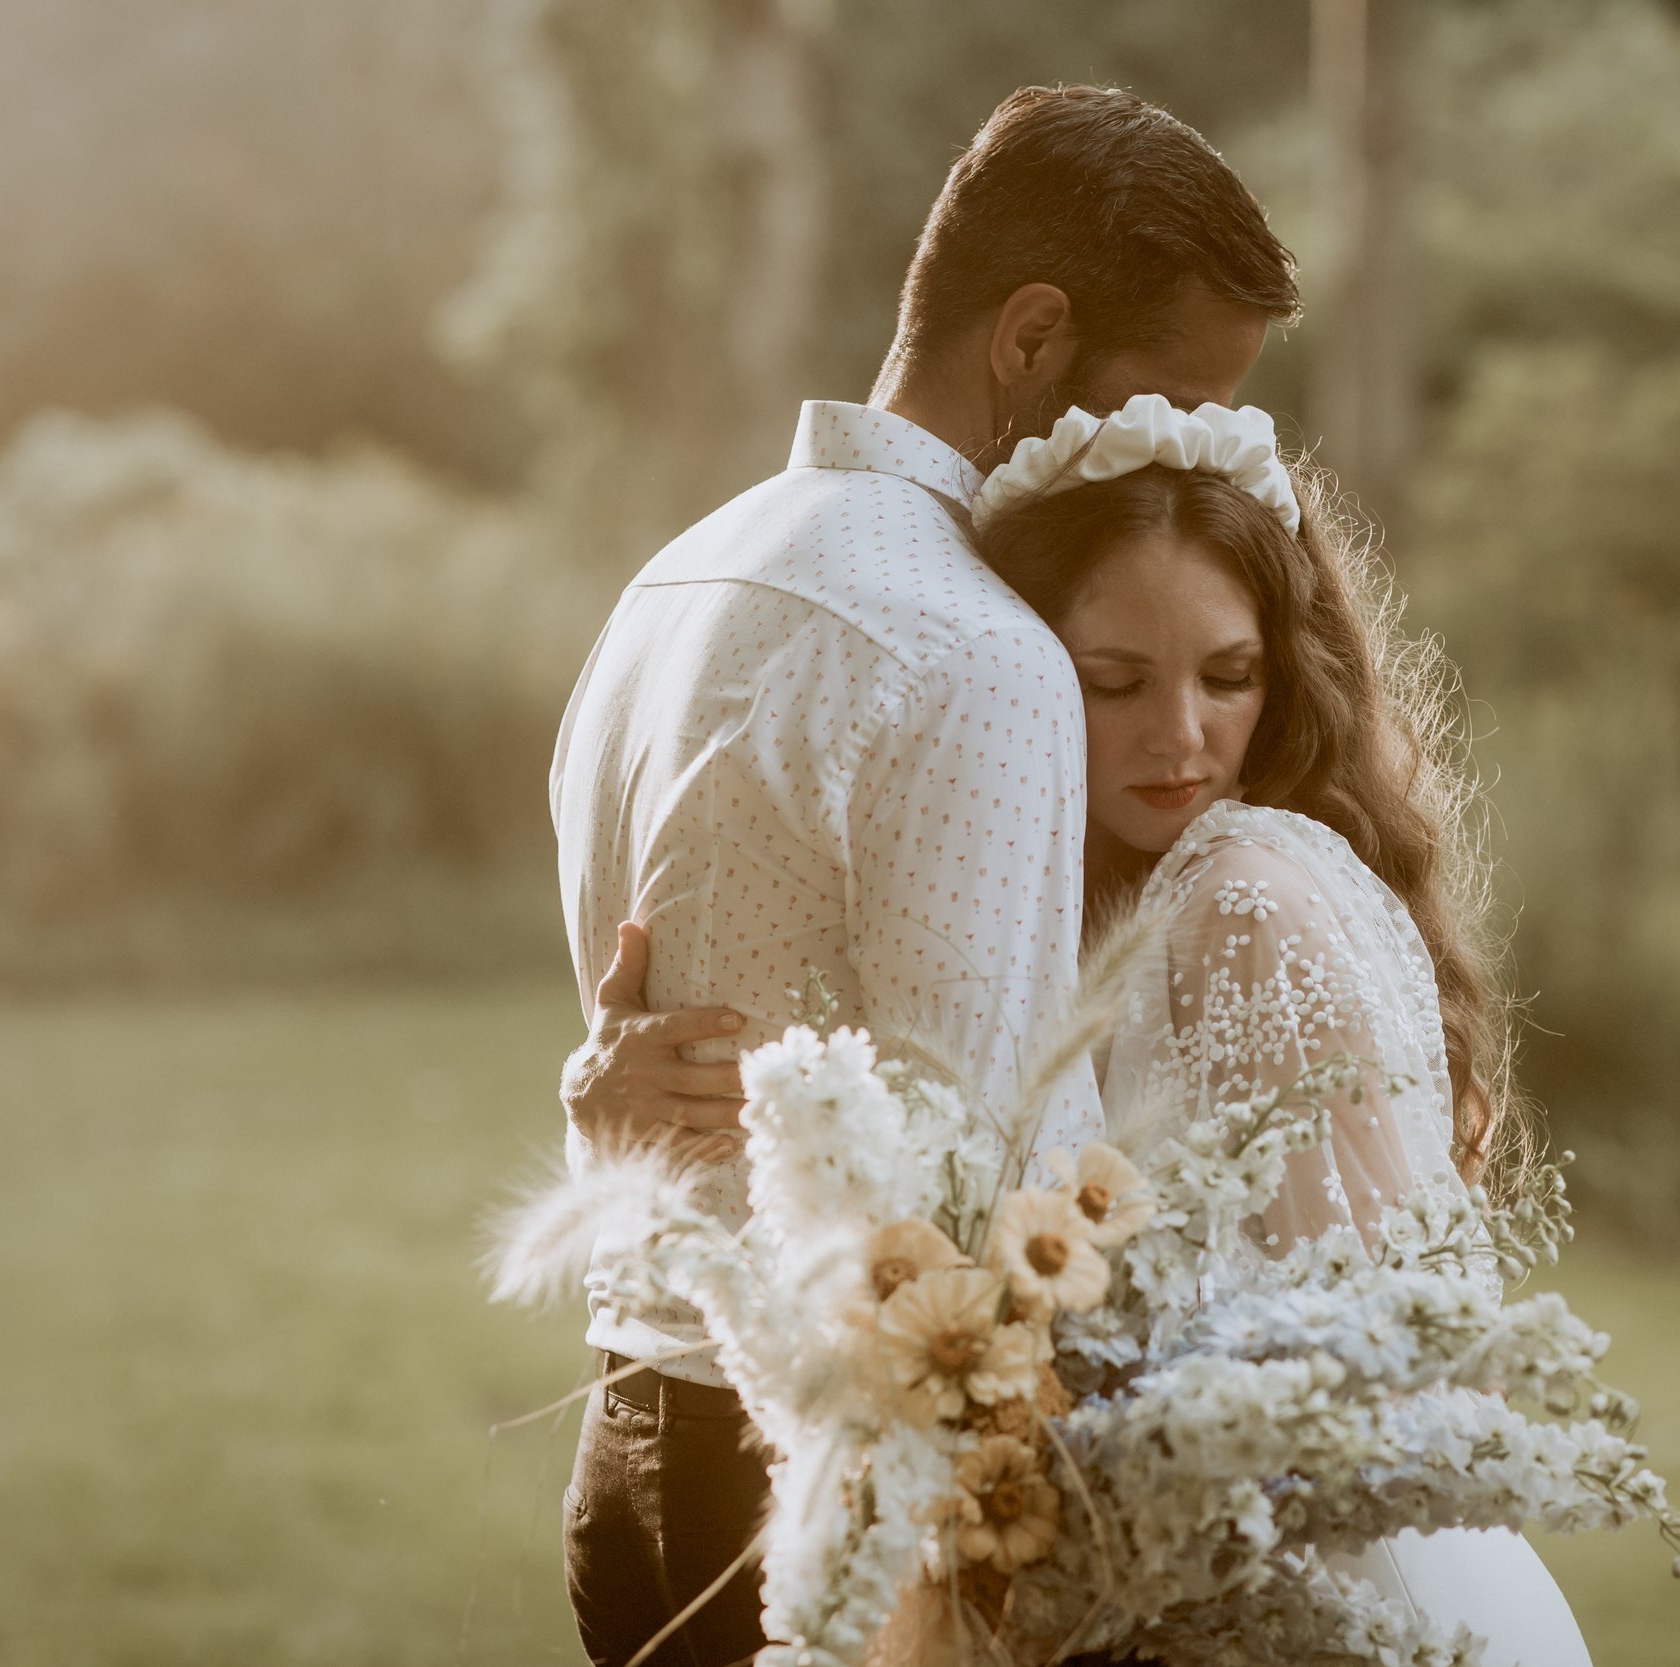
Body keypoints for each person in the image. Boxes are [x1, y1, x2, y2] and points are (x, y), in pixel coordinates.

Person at [576, 393, 1596, 1665]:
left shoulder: (1248, 894)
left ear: (1284, 677)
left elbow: (1411, 1369)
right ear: (1029, 669)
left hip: (1289, 1594)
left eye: (1230, 676)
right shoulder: (1020, 892)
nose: (1181, 738)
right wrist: (618, 1119)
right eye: (1113, 682)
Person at [547, 85, 1300, 1667]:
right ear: (1029, 338)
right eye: (1168, 401)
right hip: (844, 1507)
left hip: (628, 1444)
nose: (1187, 456)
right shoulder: (976, 647)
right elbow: (1009, 1172)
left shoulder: (673, 578)